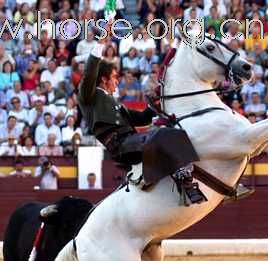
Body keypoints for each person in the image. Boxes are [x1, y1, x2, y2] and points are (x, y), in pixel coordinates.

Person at [77, 24, 208, 205]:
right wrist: (101, 42)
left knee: (173, 131)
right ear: (104, 79)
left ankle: (186, 184)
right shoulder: (89, 96)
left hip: (130, 141)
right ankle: (184, 181)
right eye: (115, 77)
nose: (117, 81)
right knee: (162, 135)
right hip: (120, 145)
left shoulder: (113, 104)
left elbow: (142, 118)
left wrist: (156, 99)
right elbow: (90, 73)